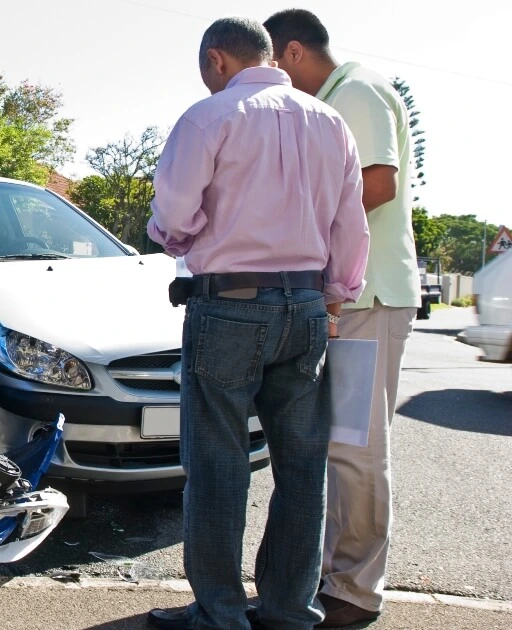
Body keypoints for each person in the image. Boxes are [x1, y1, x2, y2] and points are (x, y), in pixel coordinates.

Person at [145, 17, 370, 630]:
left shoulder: (209, 117)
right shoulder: (330, 122)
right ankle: (289, 610)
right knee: (302, 469)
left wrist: (171, 235)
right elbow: (352, 224)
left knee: (217, 465)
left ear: (217, 60)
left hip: (227, 306)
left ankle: (220, 613)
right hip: (305, 307)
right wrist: (335, 294)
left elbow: (174, 217)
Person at [264, 10, 421, 627]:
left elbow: (378, 183)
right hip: (346, 299)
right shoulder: (333, 97)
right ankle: (335, 577)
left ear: (294, 52)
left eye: (272, 64)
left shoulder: (355, 92)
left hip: (370, 297)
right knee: (340, 445)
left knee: (356, 448)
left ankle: (355, 591)